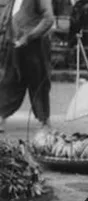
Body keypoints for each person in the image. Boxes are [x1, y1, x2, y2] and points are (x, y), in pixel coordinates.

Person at [0, 0, 54, 133]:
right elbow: (7, 20)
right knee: (10, 81)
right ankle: (1, 115)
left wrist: (30, 36)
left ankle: (44, 120)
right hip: (15, 45)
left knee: (38, 82)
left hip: (35, 47)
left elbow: (48, 18)